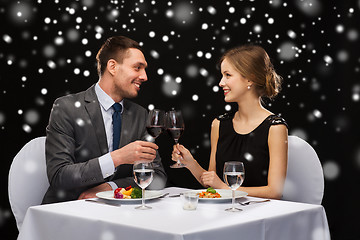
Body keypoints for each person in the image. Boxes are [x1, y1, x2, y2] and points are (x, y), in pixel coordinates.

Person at [42, 36, 167, 204]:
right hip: (69, 211)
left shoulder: (140, 115)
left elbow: (157, 176)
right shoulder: (67, 108)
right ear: (112, 67)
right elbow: (59, 176)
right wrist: (117, 158)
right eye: (137, 68)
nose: (144, 76)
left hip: (119, 215)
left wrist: (112, 187)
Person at [172, 44, 288, 199]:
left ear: (250, 79)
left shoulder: (275, 127)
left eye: (228, 75)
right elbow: (212, 184)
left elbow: (274, 192)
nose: (221, 82)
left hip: (259, 215)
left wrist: (225, 188)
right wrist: (190, 163)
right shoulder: (219, 124)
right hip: (225, 213)